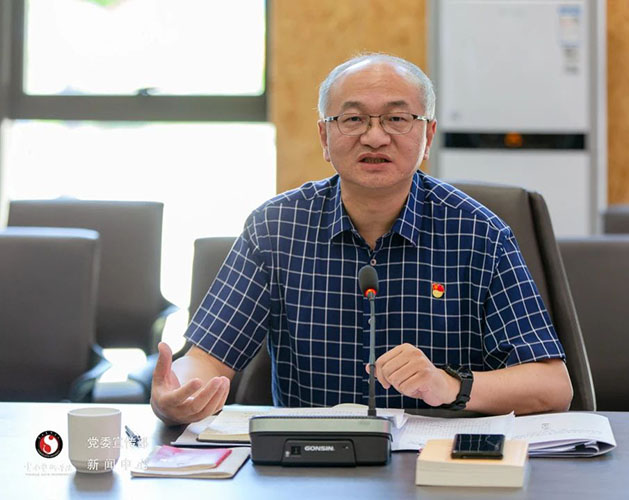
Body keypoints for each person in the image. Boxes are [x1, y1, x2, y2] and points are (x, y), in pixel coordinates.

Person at [151, 53, 573, 426]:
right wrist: (177, 393)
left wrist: (448, 385)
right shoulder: (275, 227)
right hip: (308, 463)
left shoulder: (480, 233)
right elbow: (206, 360)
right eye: (353, 119)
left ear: (427, 136)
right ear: (324, 137)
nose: (374, 137)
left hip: (439, 464)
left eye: (397, 119)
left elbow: (552, 386)